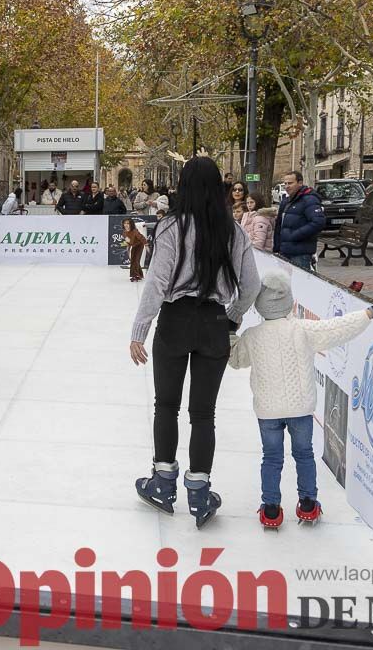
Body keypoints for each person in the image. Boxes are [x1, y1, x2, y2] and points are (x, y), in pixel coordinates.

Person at [128, 156, 261, 529]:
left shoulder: (171, 227)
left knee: (166, 405)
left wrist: (139, 330)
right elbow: (251, 286)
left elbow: (156, 281)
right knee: (203, 413)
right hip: (213, 322)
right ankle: (200, 493)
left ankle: (163, 482)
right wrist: (231, 318)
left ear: (184, 186)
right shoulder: (233, 231)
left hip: (175, 321)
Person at [228, 269, 373, 528]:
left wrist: (229, 332)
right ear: (288, 301)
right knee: (304, 454)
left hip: (268, 411)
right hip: (300, 409)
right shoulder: (303, 329)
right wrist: (370, 313)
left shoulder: (253, 336)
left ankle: (270, 509)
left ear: (259, 303)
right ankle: (309, 504)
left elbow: (235, 360)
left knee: (271, 457)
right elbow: (338, 328)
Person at [273, 171, 326, 270]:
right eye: (285, 183)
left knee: (300, 283)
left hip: (300, 254)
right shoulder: (286, 201)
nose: (287, 186)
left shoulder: (309, 199)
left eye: (290, 183)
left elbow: (318, 222)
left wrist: (295, 235)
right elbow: (279, 226)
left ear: (300, 183)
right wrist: (276, 248)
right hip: (284, 252)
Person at [122, 218, 147, 282]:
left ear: (131, 224)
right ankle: (139, 275)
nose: (126, 225)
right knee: (133, 260)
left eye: (128, 223)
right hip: (133, 245)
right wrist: (128, 247)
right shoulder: (124, 232)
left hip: (139, 245)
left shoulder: (134, 231)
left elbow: (141, 237)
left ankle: (135, 275)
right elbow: (128, 241)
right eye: (125, 223)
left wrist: (146, 244)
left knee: (135, 260)